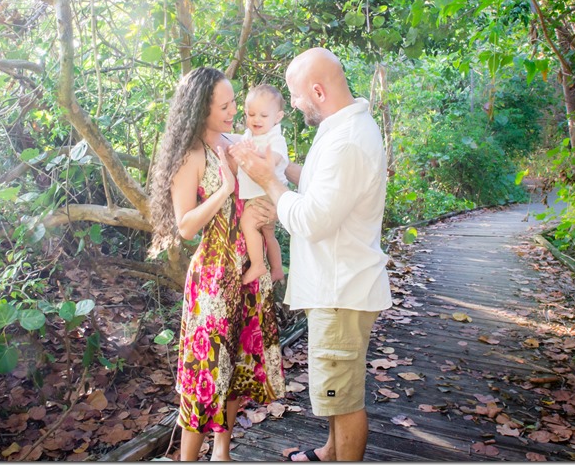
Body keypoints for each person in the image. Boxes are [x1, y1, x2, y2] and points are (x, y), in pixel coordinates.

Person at [231, 47, 392, 462]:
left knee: (342, 397)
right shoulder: (342, 127)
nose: (296, 105)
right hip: (338, 285)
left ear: (317, 91)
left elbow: (314, 219)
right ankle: (329, 451)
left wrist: (268, 181)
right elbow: (323, 186)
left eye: (297, 97)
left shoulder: (348, 141)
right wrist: (282, 170)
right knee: (336, 389)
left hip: (340, 290)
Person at [148, 67, 285, 462]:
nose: (232, 112)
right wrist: (225, 187)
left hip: (249, 269)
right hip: (213, 277)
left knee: (239, 365)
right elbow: (186, 225)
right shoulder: (191, 154)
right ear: (199, 109)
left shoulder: (236, 142)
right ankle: (189, 458)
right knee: (205, 372)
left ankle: (222, 452)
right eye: (224, 106)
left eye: (232, 104)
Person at [236, 85, 289, 286]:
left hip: (266, 193)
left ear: (278, 117)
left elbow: (273, 159)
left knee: (248, 224)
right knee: (268, 232)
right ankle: (276, 269)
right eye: (251, 114)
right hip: (259, 193)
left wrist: (255, 154)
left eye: (263, 115)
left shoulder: (274, 137)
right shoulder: (250, 136)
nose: (256, 119)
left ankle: (258, 264)